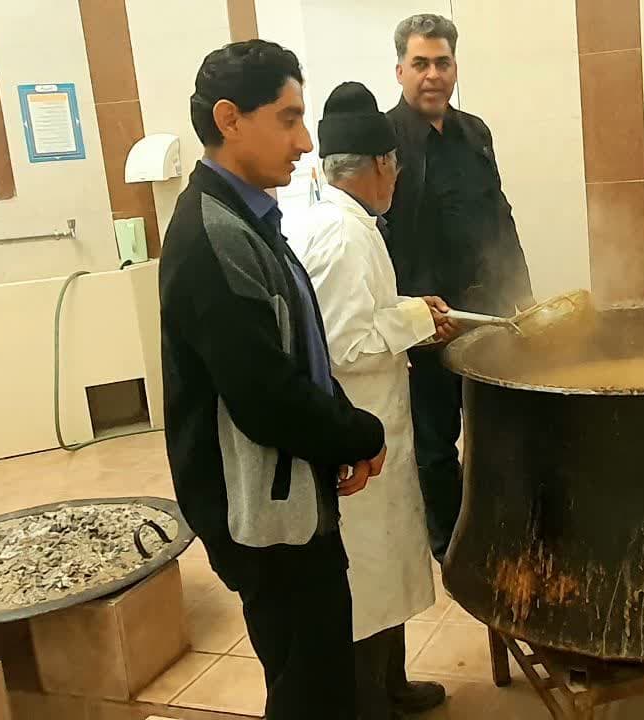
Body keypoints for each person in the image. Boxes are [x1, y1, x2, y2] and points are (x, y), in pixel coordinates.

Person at [159, 40, 387, 719]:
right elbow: (264, 396)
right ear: (230, 119)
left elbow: (297, 348)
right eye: (288, 119)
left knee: (318, 676)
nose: (305, 141)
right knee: (309, 690)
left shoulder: (250, 217)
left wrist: (339, 424)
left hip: (289, 498)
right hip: (261, 515)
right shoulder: (213, 235)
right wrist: (360, 432)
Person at [291, 80, 455, 720]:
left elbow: (364, 313)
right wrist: (413, 319)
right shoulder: (340, 235)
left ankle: (392, 683)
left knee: (387, 567)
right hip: (358, 430)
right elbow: (342, 344)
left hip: (379, 423)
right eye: (396, 166)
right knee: (366, 576)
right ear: (383, 165)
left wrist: (410, 309)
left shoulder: (351, 223)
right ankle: (368, 702)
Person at [385, 13, 535, 563]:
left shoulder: (475, 133)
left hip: (488, 312)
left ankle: (495, 527)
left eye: (442, 63)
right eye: (420, 63)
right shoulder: (386, 139)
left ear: (454, 67)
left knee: (496, 428)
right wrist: (407, 317)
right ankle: (450, 544)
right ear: (400, 70)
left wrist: (523, 297)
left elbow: (500, 216)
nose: (433, 75)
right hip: (428, 319)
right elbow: (382, 236)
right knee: (435, 441)